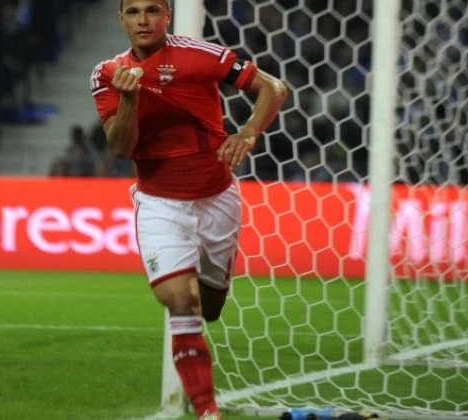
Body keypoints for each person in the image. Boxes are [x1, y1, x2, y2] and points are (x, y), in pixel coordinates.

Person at [90, 1, 288, 419]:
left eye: (153, 10)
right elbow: (122, 148)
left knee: (210, 308)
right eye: (133, 12)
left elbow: (273, 88)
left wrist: (248, 133)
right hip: (159, 203)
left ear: (168, 15)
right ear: (121, 19)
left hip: (217, 198)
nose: (143, 20)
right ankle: (206, 410)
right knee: (182, 302)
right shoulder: (108, 74)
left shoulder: (200, 55)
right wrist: (129, 100)